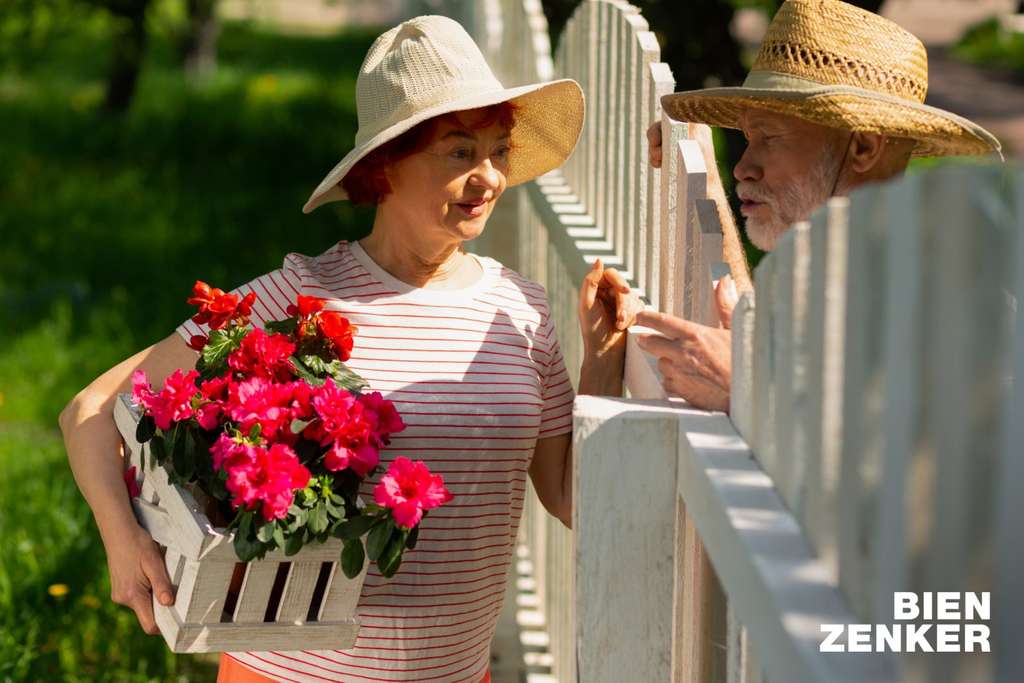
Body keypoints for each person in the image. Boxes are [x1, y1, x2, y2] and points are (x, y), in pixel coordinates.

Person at [59, 15, 630, 683]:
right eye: (458, 151)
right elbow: (91, 410)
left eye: (498, 150)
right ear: (385, 166)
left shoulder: (522, 311)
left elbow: (568, 496)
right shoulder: (301, 299)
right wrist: (121, 541)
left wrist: (602, 362)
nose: (489, 177)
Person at [628, 0, 1002, 412]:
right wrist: (707, 183)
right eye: (749, 139)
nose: (742, 167)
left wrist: (751, 392)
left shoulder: (935, 298)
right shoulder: (834, 268)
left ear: (862, 147)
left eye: (768, 138)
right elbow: (743, 328)